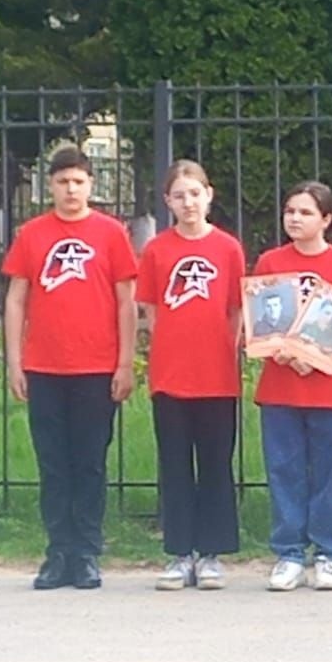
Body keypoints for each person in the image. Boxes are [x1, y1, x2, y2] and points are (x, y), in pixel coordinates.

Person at [2, 145, 138, 590]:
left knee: (89, 462)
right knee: (54, 463)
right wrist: (15, 361)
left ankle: (86, 552)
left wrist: (125, 363)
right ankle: (58, 551)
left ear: (90, 184)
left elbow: (126, 301)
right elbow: (16, 299)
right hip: (44, 366)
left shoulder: (111, 233)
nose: (71, 190)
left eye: (78, 181)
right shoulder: (32, 234)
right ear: (51, 186)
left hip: (96, 367)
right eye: (62, 182)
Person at [136, 160, 245, 591]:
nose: (188, 203)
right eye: (179, 196)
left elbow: (236, 308)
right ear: (168, 201)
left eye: (195, 194)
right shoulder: (157, 250)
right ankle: (180, 553)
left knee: (216, 463)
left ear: (209, 195)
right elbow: (151, 309)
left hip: (216, 375)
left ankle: (212, 553)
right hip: (171, 375)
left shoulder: (228, 248)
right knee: (175, 464)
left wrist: (225, 347)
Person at [253, 181, 332, 591]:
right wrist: (280, 351)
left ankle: (328, 552)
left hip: (329, 388)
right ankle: (289, 552)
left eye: (305, 212)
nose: (295, 219)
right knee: (285, 469)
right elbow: (259, 317)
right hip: (280, 385)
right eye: (290, 211)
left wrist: (318, 356)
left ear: (326, 219)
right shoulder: (270, 262)